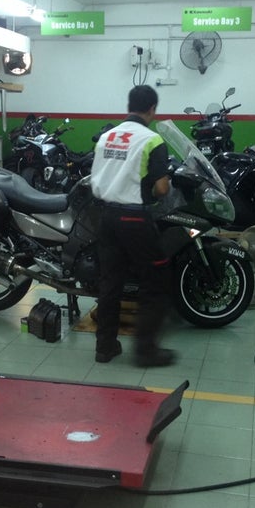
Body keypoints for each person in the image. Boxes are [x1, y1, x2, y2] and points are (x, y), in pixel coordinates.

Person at [90, 85, 176, 367]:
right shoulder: (152, 140)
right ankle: (146, 351)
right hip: (134, 218)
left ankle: (105, 348)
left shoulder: (107, 136)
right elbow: (161, 189)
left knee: (110, 283)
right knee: (155, 280)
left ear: (129, 106)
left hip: (106, 217)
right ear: (152, 109)